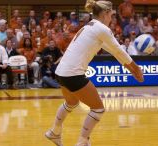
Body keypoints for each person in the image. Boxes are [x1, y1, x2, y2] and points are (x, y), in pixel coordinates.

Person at [45, 0, 144, 146]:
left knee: (71, 102)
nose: (112, 18)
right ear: (105, 14)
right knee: (98, 109)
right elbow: (119, 51)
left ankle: (54, 132)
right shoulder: (101, 29)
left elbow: (115, 52)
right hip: (72, 74)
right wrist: (136, 69)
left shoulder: (90, 26)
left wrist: (132, 69)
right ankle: (82, 142)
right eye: (111, 15)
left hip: (61, 72)